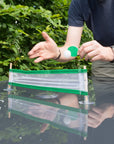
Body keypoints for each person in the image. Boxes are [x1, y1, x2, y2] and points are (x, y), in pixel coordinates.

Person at [28, 0, 114, 78]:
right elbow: (72, 49)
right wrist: (57, 53)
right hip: (104, 59)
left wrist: (111, 52)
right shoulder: (79, 3)